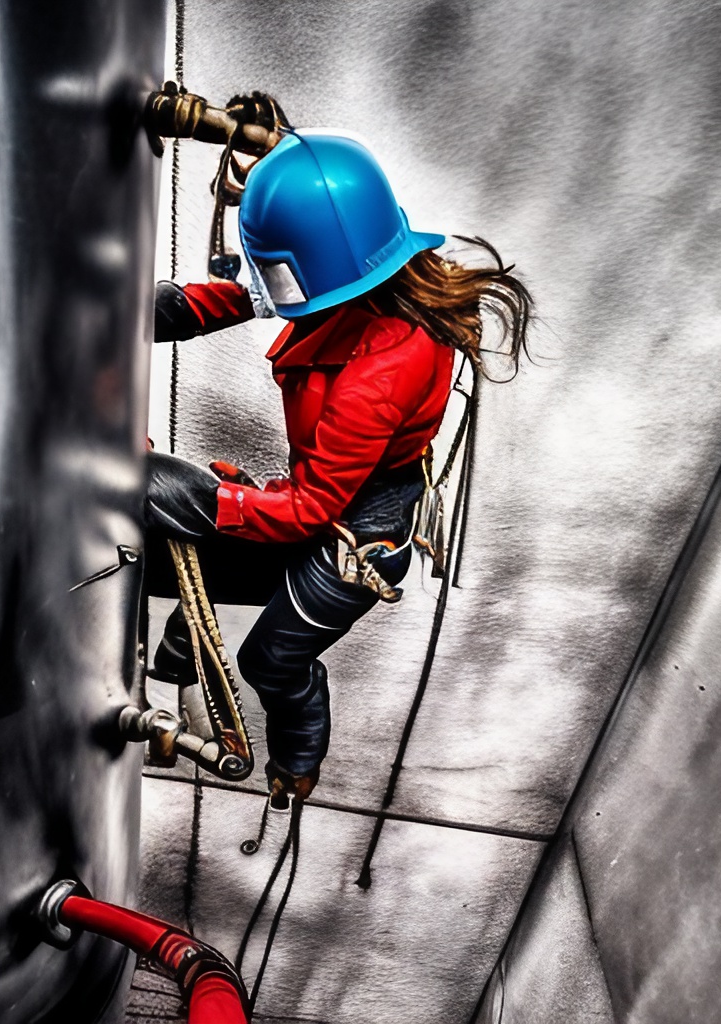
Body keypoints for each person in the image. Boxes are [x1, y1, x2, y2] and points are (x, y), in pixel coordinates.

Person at [144, 129, 531, 807]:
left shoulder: (384, 369)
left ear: (327, 267)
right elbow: (254, 293)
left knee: (271, 661)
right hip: (329, 500)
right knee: (164, 558)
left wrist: (207, 503)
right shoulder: (354, 273)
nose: (269, 289)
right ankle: (179, 652)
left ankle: (298, 757)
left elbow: (310, 511)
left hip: (358, 543)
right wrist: (154, 312)